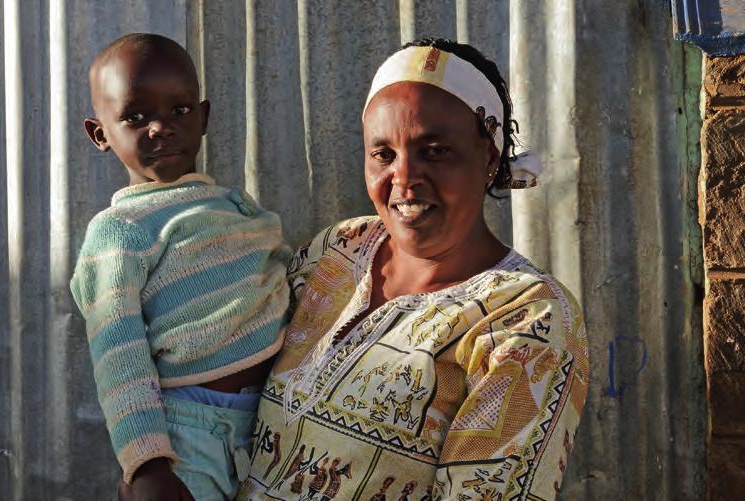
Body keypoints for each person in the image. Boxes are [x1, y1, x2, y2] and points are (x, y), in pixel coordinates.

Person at [237, 38, 589, 500]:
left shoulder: (526, 317)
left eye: (435, 150)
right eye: (384, 154)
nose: (404, 179)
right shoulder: (338, 251)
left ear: (487, 157)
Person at [69, 33, 290, 501]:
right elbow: (118, 353)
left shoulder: (236, 207)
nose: (160, 128)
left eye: (180, 111)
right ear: (100, 134)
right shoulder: (118, 230)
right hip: (187, 434)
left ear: (203, 117)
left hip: (273, 424)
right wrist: (147, 463)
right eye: (135, 116)